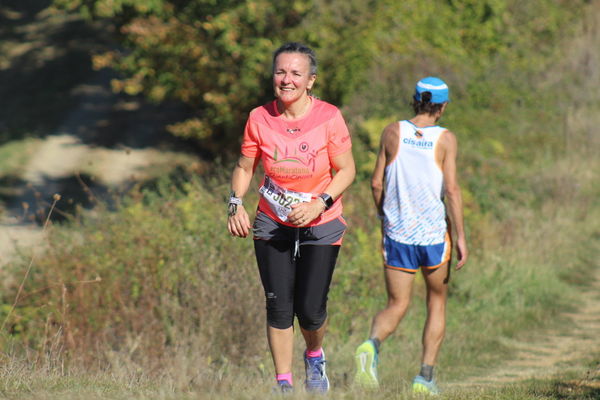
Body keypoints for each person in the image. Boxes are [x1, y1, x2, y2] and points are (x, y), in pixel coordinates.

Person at [227, 42, 355, 394]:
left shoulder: (329, 117)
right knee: (278, 305)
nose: (286, 80)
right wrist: (235, 202)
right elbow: (244, 166)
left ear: (310, 81)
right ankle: (283, 385)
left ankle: (314, 354)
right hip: (272, 220)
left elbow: (347, 170)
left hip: (321, 222)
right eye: (280, 72)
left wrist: (321, 202)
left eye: (296, 73)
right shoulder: (258, 118)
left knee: (311, 310)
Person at [354, 77, 468, 395]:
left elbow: (376, 183)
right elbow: (452, 189)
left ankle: (370, 346)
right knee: (436, 302)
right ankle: (425, 378)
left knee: (397, 303)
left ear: (415, 100)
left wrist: (383, 217)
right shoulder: (446, 139)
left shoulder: (392, 132)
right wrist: (460, 236)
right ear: (442, 106)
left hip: (398, 233)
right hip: (433, 236)